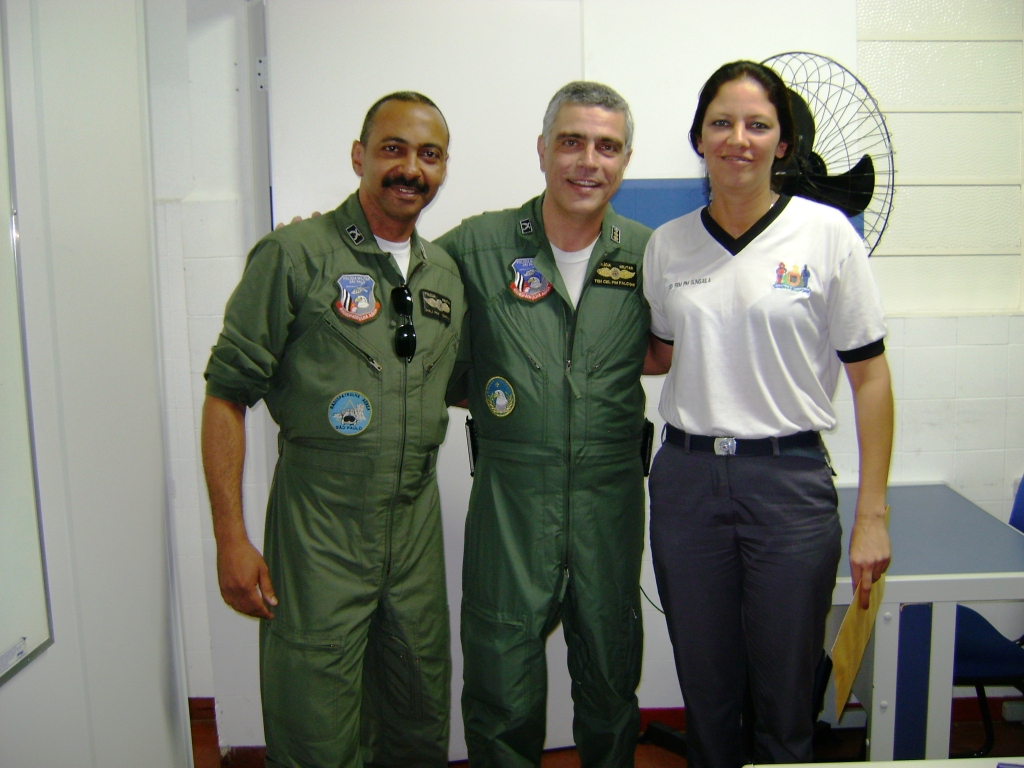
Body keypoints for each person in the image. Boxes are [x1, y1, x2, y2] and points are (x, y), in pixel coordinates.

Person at [201, 92, 465, 768]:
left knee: (416, 715)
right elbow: (226, 396)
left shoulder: (446, 278)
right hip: (319, 529)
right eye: (393, 149)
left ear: (443, 169)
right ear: (359, 156)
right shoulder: (295, 256)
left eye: (429, 155)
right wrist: (230, 538)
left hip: (414, 532)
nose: (411, 168)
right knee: (313, 727)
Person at [642, 61, 893, 768]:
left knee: (786, 700)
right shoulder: (667, 245)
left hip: (788, 484)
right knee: (708, 693)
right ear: (699, 138)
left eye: (758, 125)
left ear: (783, 143)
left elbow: (871, 379)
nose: (738, 139)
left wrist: (872, 515)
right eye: (721, 123)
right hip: (688, 482)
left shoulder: (827, 235)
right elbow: (659, 354)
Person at [437, 82, 652, 768]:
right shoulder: (478, 246)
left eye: (607, 147)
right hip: (511, 503)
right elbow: (401, 293)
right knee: (500, 682)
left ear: (625, 161)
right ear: (541, 150)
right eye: (571, 142)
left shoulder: (650, 254)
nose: (588, 161)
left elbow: (675, 345)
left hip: (609, 504)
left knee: (611, 678)